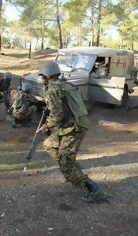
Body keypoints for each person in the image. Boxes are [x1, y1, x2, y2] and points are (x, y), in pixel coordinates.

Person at [37, 61, 105, 203]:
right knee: (49, 144)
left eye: (42, 76)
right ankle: (71, 167)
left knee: (65, 165)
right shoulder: (66, 84)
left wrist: (46, 126)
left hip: (73, 128)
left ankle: (94, 189)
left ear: (47, 76)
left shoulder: (52, 91)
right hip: (70, 125)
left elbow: (57, 115)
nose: (42, 79)